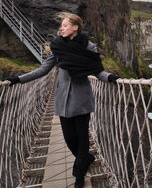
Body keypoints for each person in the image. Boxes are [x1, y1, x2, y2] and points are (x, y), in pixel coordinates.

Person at [5, 12, 120, 188]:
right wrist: (18, 79)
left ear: (75, 27)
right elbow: (43, 70)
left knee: (82, 139)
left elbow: (97, 70)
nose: (61, 28)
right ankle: (86, 159)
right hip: (63, 100)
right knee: (69, 140)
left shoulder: (89, 47)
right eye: (61, 26)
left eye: (65, 25)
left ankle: (79, 176)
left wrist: (111, 77)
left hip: (81, 100)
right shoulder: (57, 47)